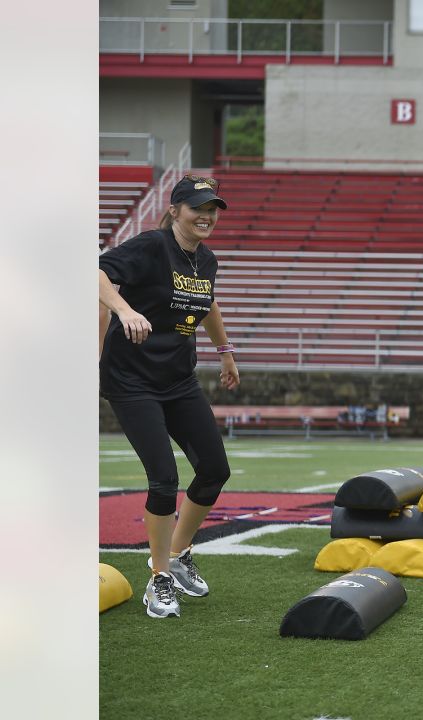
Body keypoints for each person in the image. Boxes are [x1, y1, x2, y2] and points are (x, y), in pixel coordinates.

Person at [98, 174, 241, 618]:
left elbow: (208, 302)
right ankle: (158, 576)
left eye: (213, 209)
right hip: (133, 382)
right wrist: (123, 309)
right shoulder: (151, 246)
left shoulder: (206, 260)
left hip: (178, 380)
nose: (207, 216)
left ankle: (177, 556)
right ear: (176, 210)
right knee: (163, 479)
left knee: (214, 470)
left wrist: (225, 351)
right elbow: (97, 273)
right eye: (198, 208)